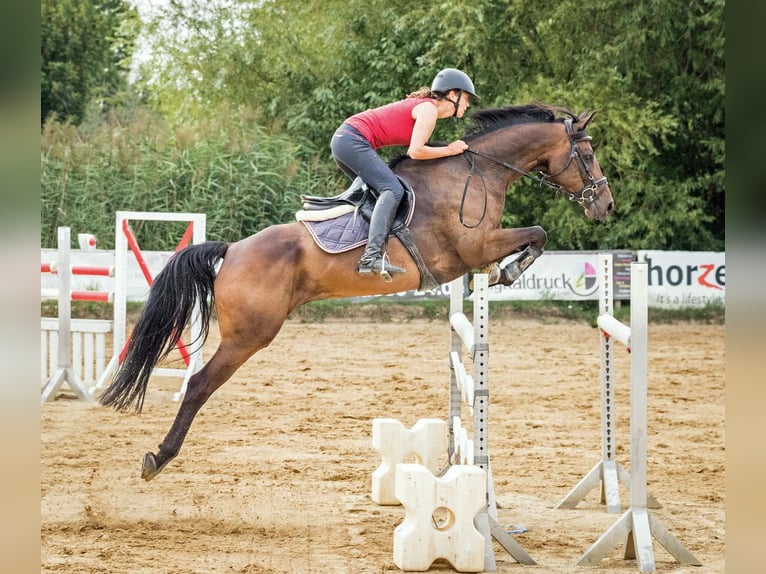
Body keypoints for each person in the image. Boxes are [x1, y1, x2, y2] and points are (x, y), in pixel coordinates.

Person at [331, 68, 479, 281]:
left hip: (346, 140)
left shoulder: (426, 109)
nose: (468, 104)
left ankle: (363, 248)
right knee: (392, 189)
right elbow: (416, 151)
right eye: (466, 98)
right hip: (351, 140)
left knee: (380, 195)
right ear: (453, 94)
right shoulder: (428, 110)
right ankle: (371, 257)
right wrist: (450, 149)